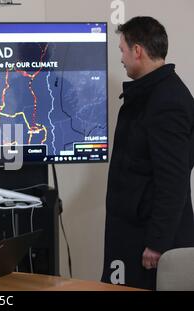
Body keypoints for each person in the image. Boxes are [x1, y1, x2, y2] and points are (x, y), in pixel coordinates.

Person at [102, 16, 194, 289]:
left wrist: (157, 243)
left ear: (137, 50)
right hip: (131, 236)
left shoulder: (167, 101)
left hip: (149, 246)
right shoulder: (149, 94)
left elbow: (173, 181)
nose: (121, 57)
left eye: (122, 50)